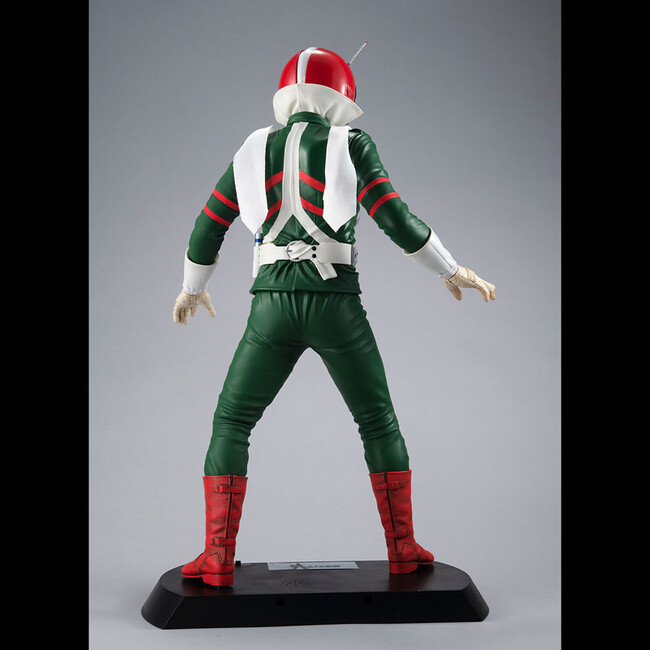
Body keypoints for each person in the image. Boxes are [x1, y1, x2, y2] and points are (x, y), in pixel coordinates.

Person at [172, 47, 496, 587]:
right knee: (378, 422)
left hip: (270, 307)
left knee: (232, 423)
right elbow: (394, 217)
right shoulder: (352, 143)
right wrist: (450, 269)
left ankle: (217, 558)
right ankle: (401, 550)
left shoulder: (251, 148)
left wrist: (192, 288)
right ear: (339, 98)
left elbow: (209, 226)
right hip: (336, 304)